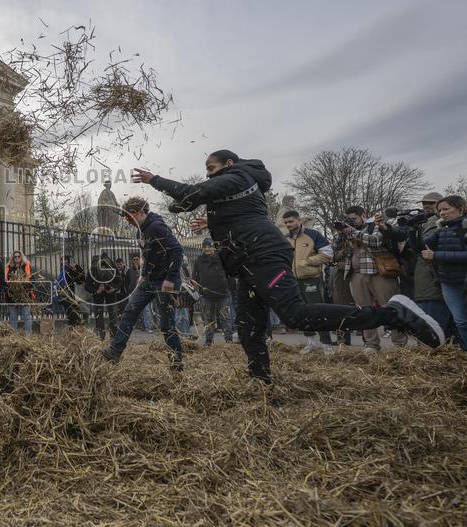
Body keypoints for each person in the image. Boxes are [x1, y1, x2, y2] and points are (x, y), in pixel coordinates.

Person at [130, 150, 444, 384]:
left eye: (211, 168)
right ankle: (260, 382)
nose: (208, 174)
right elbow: (191, 204)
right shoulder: (234, 188)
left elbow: (191, 193)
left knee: (295, 314)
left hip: (264, 255)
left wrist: (153, 179)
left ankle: (394, 314)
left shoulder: (238, 177)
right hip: (246, 262)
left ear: (227, 164)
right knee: (249, 327)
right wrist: (209, 222)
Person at [101, 197, 185, 371]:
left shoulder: (157, 226)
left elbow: (177, 251)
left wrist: (170, 279)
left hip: (165, 281)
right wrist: (142, 274)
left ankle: (176, 363)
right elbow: (146, 255)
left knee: (166, 325)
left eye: (129, 218)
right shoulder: (140, 231)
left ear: (139, 212)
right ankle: (115, 352)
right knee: (130, 311)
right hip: (149, 280)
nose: (128, 221)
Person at [379, 192, 455, 344]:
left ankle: (439, 347)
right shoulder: (420, 221)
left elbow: (427, 245)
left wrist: (415, 230)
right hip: (420, 275)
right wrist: (386, 228)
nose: (426, 206)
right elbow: (401, 234)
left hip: (435, 275)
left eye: (431, 203)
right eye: (424, 203)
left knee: (436, 320)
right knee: (427, 313)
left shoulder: (442, 222)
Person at [338, 206, 408, 353]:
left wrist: (352, 231)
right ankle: (371, 344)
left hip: (380, 273)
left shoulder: (375, 225)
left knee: (391, 308)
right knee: (364, 311)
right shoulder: (349, 230)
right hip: (357, 274)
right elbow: (339, 252)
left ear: (364, 215)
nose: (351, 222)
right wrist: (341, 235)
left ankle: (400, 345)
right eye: (348, 219)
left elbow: (376, 241)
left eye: (353, 218)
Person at [282, 210, 335, 352]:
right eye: (286, 222)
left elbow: (328, 254)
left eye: (291, 221)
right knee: (301, 312)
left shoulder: (313, 234)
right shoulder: (285, 238)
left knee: (317, 311)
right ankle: (310, 342)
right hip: (293, 280)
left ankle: (327, 344)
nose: (288, 224)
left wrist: (307, 261)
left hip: (311, 279)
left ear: (299, 221)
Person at [423, 195, 467, 348]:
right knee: (460, 321)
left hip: (464, 279)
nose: (442, 213)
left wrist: (436, 256)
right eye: (440, 210)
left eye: (446, 209)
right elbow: (421, 245)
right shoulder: (443, 228)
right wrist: (413, 228)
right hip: (448, 281)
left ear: (461, 209)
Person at [193, 238, 234, 345]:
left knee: (225, 317)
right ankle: (208, 340)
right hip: (206, 295)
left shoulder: (221, 259)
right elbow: (195, 276)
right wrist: (196, 285)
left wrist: (229, 287)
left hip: (222, 294)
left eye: (209, 246)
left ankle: (228, 339)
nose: (207, 249)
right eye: (205, 247)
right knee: (208, 318)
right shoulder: (199, 260)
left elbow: (230, 274)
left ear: (214, 247)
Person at [85, 251, 122, 339]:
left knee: (113, 313)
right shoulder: (93, 269)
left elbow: (120, 281)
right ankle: (100, 335)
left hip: (111, 292)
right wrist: (96, 291)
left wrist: (114, 288)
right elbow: (87, 286)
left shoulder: (113, 267)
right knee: (98, 314)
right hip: (98, 292)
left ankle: (113, 335)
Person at [5, 250, 35, 334]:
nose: (17, 258)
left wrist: (25, 286)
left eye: (19, 256)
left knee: (26, 316)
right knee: (13, 317)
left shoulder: (26, 266)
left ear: (21, 257)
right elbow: (6, 280)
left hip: (25, 295)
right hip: (12, 296)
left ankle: (28, 335)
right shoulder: (9, 267)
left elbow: (32, 279)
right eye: (15, 257)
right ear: (13, 258)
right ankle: (13, 335)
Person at [56, 255, 87, 327]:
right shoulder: (64, 270)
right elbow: (60, 283)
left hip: (74, 296)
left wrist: (75, 268)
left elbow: (81, 279)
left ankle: (79, 326)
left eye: (65, 261)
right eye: (62, 261)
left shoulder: (75, 268)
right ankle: (75, 329)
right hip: (66, 296)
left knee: (81, 312)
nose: (63, 262)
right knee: (71, 313)